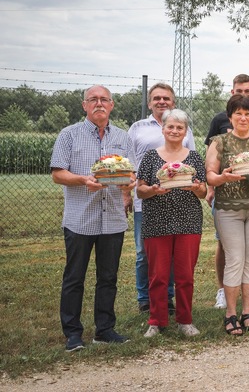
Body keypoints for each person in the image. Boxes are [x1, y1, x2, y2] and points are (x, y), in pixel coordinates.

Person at [50, 85, 134, 352]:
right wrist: (84, 179)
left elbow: (130, 173)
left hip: (112, 220)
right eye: (93, 100)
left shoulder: (122, 136)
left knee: (108, 277)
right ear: (84, 105)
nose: (99, 104)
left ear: (111, 105)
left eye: (104, 100)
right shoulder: (69, 135)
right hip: (80, 219)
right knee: (75, 277)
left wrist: (128, 183)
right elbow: (57, 173)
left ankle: (105, 329)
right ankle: (73, 333)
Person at [206, 94, 249, 335]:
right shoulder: (219, 142)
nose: (243, 117)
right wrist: (223, 177)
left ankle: (247, 313)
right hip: (228, 209)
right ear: (230, 117)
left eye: (247, 114)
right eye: (238, 113)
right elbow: (210, 176)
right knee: (235, 259)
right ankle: (230, 314)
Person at [136, 109, 206, 338]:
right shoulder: (150, 157)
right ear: (163, 129)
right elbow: (140, 190)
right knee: (158, 275)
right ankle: (156, 321)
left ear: (186, 132)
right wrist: (153, 190)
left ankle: (185, 320)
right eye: (171, 127)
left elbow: (204, 192)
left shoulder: (194, 157)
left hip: (188, 221)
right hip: (157, 221)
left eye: (180, 128)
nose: (175, 131)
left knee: (185, 275)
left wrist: (196, 188)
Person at [128, 83, 195, 314]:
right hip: (146, 200)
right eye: (156, 98)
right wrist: (128, 193)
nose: (161, 101)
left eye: (166, 98)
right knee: (144, 252)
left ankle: (167, 297)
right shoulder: (137, 128)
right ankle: (145, 298)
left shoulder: (184, 126)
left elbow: (192, 164)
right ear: (149, 103)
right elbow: (129, 165)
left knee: (173, 255)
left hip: (180, 200)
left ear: (173, 102)